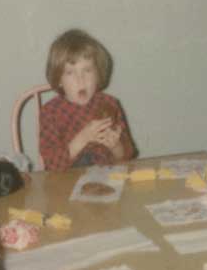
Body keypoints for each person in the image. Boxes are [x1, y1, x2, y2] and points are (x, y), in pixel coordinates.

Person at [39, 28, 136, 170]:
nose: (80, 79)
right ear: (59, 79)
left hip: (107, 176)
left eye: (87, 70)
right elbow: (51, 164)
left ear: (98, 74)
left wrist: (116, 146)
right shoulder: (50, 113)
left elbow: (128, 155)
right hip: (67, 180)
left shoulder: (110, 104)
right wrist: (83, 138)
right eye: (70, 72)